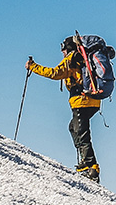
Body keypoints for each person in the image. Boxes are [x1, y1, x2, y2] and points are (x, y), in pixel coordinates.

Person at [25, 36, 101, 182]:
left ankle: (92, 167)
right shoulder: (83, 58)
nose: (62, 52)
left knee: (82, 133)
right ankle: (86, 161)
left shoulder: (71, 59)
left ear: (68, 48)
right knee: (73, 127)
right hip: (93, 100)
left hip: (81, 101)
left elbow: (54, 73)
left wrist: (33, 67)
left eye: (63, 49)